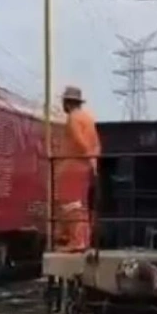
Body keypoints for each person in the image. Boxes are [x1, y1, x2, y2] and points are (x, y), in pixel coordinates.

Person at [54, 85, 100, 252]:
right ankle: (83, 239)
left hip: (72, 165)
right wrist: (93, 160)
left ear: (67, 102)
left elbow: (78, 140)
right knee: (81, 205)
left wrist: (85, 155)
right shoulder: (89, 119)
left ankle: (76, 240)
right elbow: (96, 143)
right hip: (85, 165)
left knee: (70, 203)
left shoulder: (73, 119)